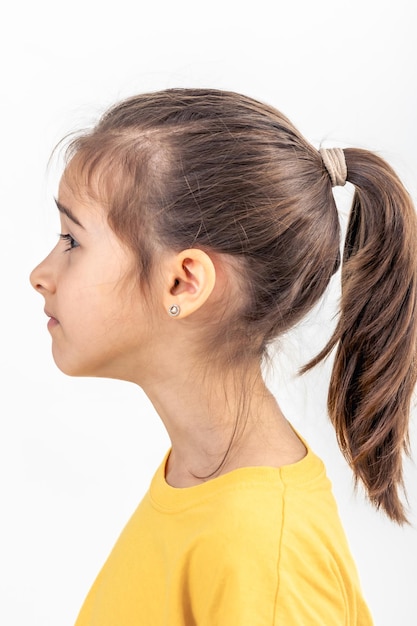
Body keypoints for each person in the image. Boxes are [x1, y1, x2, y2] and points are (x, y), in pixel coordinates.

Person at [30, 88, 417, 625]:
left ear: (184, 282)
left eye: (72, 241)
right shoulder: (199, 480)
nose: (39, 276)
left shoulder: (260, 549)